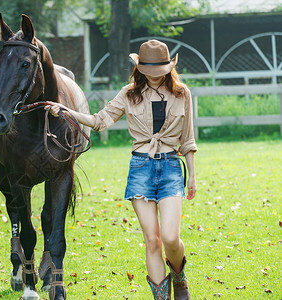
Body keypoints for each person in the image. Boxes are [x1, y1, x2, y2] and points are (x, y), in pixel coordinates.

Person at [45, 39, 197, 300]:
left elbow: (188, 138)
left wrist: (192, 175)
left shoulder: (182, 94)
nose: (155, 77)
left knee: (171, 238)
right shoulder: (128, 94)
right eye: (149, 71)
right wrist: (67, 111)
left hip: (171, 167)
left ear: (168, 68)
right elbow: (99, 120)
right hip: (140, 168)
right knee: (153, 240)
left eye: (159, 71)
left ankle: (179, 277)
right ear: (140, 69)